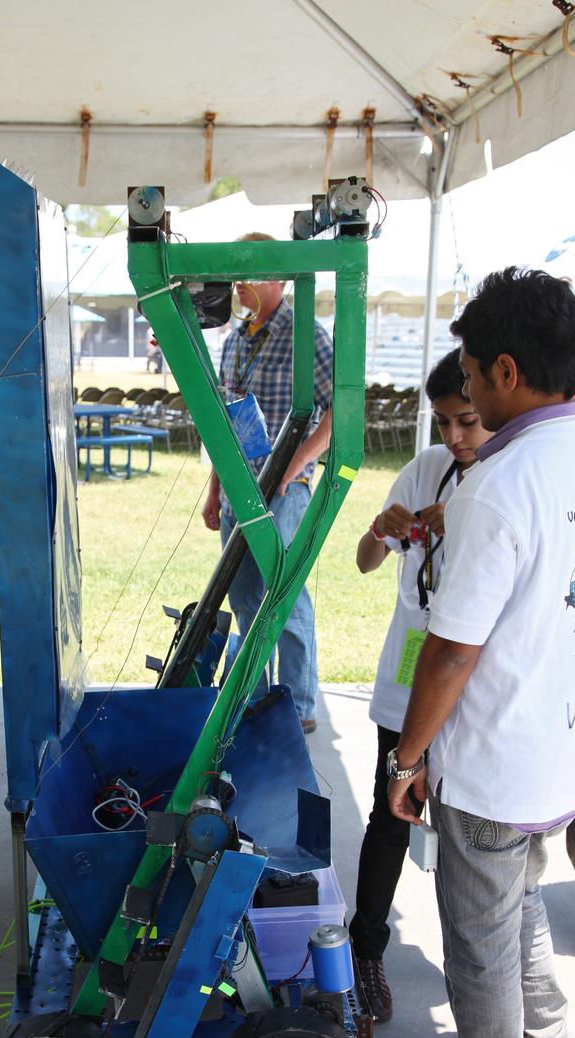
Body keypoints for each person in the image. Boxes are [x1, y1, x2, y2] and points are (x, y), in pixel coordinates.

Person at [388, 268, 575, 1038]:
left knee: (478, 932)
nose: (467, 387)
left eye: (472, 373)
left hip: (496, 760)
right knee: (519, 899)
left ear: (507, 371)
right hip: (569, 745)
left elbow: (449, 651)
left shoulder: (495, 486)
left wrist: (407, 761)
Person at [349, 349, 493, 1021]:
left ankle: (481, 981)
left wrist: (458, 529)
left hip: (472, 685)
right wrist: (381, 531)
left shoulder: (504, 479)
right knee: (389, 815)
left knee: (467, 831)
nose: (454, 438)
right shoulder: (424, 468)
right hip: (408, 676)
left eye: (466, 420)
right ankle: (364, 951)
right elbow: (363, 561)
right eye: (441, 423)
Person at [201, 233, 333, 733]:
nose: (240, 285)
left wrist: (299, 460)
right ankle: (253, 698)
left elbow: (344, 405)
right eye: (237, 274)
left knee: (285, 593)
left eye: (252, 273)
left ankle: (299, 708)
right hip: (238, 488)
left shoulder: (308, 335)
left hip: (283, 492)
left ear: (279, 279)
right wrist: (215, 489)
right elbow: (225, 421)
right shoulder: (234, 340)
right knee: (244, 596)